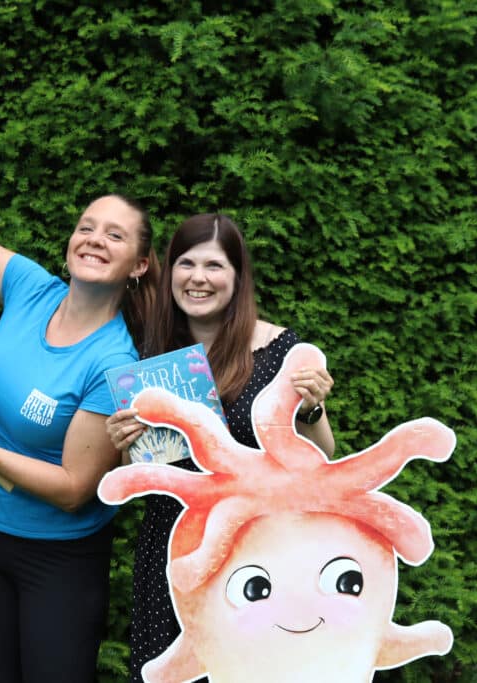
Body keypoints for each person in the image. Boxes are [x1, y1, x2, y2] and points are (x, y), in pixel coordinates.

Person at [0, 153, 159, 682]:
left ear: (139, 266)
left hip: (56, 562)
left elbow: (75, 487)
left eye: (115, 236)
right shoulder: (30, 290)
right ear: (69, 245)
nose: (95, 239)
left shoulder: (113, 363)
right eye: (86, 227)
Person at [105, 213, 336, 682]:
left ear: (237, 276)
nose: (198, 278)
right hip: (174, 547)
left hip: (260, 552)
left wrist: (312, 409)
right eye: (186, 264)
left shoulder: (279, 350)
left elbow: (323, 457)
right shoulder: (153, 355)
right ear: (170, 274)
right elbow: (146, 469)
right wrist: (124, 444)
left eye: (214, 266)